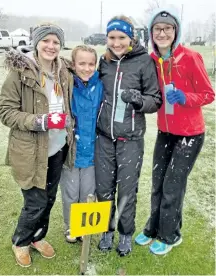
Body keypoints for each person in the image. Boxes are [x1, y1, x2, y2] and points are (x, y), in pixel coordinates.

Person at [135, 7, 215, 255]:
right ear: (151, 33)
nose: (162, 33)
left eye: (167, 29)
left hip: (190, 134)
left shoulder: (190, 58)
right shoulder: (152, 60)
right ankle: (152, 228)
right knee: (158, 182)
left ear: (175, 32)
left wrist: (185, 97)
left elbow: (209, 94)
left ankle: (171, 235)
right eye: (157, 29)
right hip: (165, 132)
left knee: (173, 186)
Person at [0, 23, 74, 267]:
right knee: (35, 201)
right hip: (30, 150)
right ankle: (20, 241)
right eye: (46, 41)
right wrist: (40, 121)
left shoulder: (63, 71)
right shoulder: (19, 71)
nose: (51, 46)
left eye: (56, 42)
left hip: (57, 148)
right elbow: (6, 112)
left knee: (50, 198)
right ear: (37, 42)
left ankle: (37, 237)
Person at [95, 15, 162, 257]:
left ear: (131, 37)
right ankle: (106, 231)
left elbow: (155, 100)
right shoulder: (104, 62)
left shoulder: (144, 62)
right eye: (111, 37)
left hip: (130, 139)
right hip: (103, 138)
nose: (116, 42)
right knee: (103, 189)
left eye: (121, 37)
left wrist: (138, 100)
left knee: (126, 190)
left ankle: (125, 233)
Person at [59, 45, 103, 243]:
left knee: (88, 192)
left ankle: (84, 225)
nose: (87, 68)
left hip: (93, 151)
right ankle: (71, 227)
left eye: (91, 64)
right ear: (73, 64)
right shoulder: (67, 84)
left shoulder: (100, 85)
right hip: (71, 151)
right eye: (82, 63)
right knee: (70, 192)